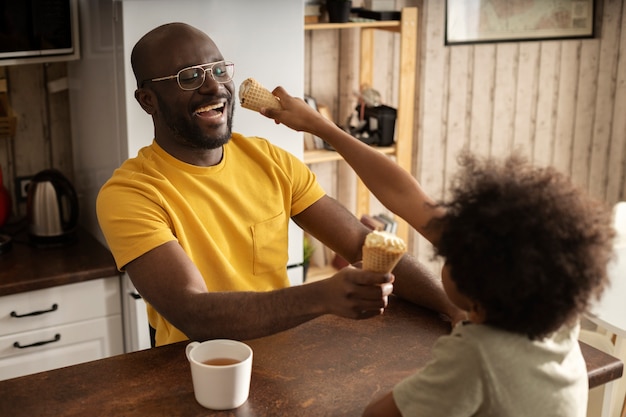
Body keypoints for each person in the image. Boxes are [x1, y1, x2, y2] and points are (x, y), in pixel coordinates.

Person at [96, 22, 463, 348]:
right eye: (189, 77)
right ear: (148, 101)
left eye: (219, 69)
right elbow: (193, 312)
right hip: (193, 370)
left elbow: (361, 246)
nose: (214, 86)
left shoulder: (269, 160)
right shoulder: (131, 193)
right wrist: (321, 297)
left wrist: (455, 309)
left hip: (285, 356)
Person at [262, 89, 616, 416]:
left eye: (450, 255)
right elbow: (407, 196)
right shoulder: (551, 309)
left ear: (477, 296)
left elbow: (377, 415)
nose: (444, 245)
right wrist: (319, 125)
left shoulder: (476, 357)